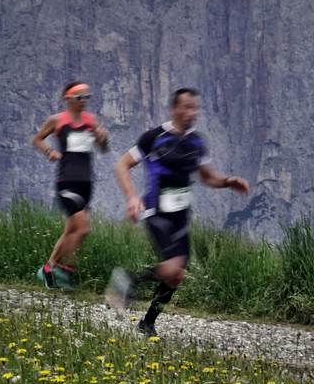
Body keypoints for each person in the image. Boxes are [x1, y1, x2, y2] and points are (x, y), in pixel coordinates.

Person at [107, 88, 249, 337]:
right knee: (173, 268)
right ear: (174, 109)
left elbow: (207, 177)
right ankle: (127, 279)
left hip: (181, 215)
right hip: (156, 212)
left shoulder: (196, 142)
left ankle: (147, 324)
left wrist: (228, 181)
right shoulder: (154, 137)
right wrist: (131, 198)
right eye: (187, 107)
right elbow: (122, 165)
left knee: (177, 276)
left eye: (196, 108)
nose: (192, 113)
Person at [32, 82, 109, 289]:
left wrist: (103, 140)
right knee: (83, 229)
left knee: (70, 232)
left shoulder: (92, 121)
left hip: (86, 183)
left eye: (86, 97)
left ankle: (48, 269)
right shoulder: (57, 120)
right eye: (79, 97)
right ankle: (65, 272)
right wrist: (50, 152)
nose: (83, 101)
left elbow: (104, 148)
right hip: (66, 181)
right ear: (68, 99)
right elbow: (37, 140)